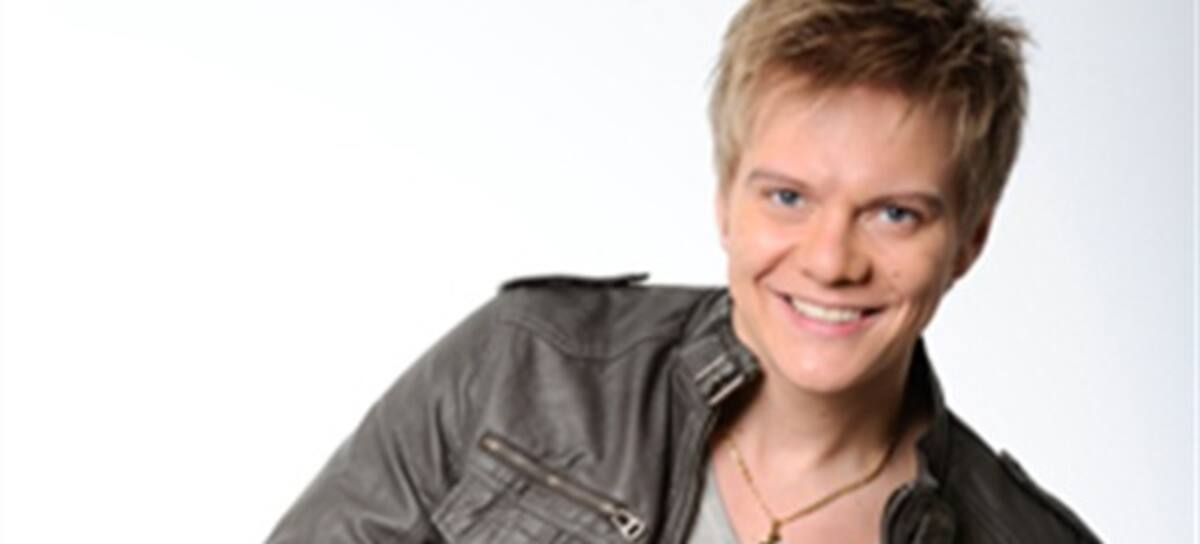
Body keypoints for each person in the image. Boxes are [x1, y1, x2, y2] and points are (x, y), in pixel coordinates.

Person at [269, 0, 1100, 542]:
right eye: (787, 197)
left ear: (969, 239)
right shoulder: (524, 366)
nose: (830, 261)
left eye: (894, 214)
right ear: (725, 200)